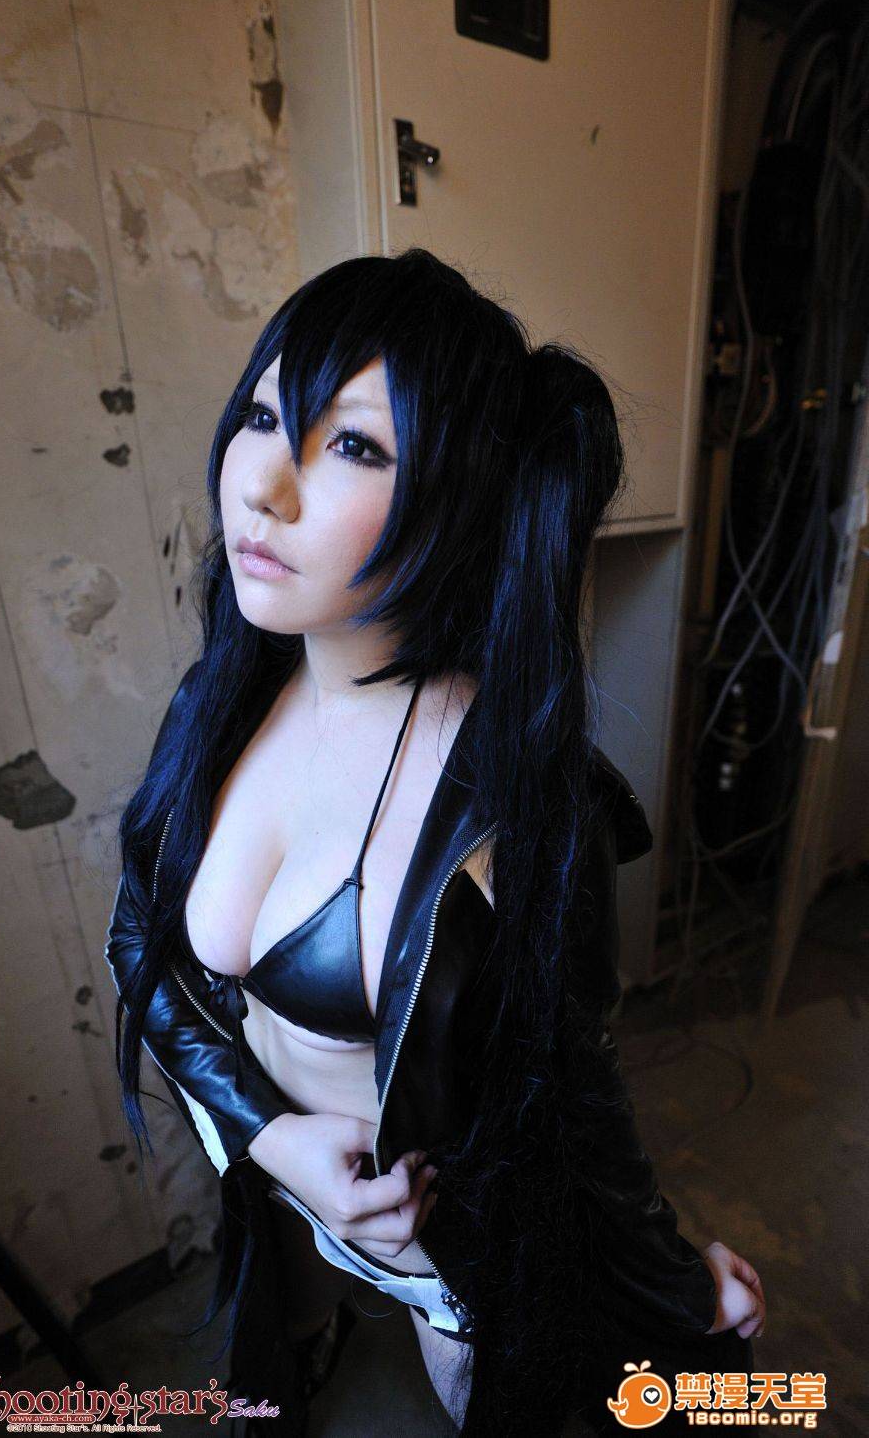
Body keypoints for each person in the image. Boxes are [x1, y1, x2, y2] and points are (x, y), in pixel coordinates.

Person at [103, 247, 765, 1437]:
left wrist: (675, 1292)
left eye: (354, 446)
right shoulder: (226, 696)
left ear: (456, 497)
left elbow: (577, 1092)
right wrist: (269, 1137)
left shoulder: (512, 799)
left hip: (447, 1260)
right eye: (265, 416)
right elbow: (142, 942)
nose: (265, 488)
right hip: (283, 1196)